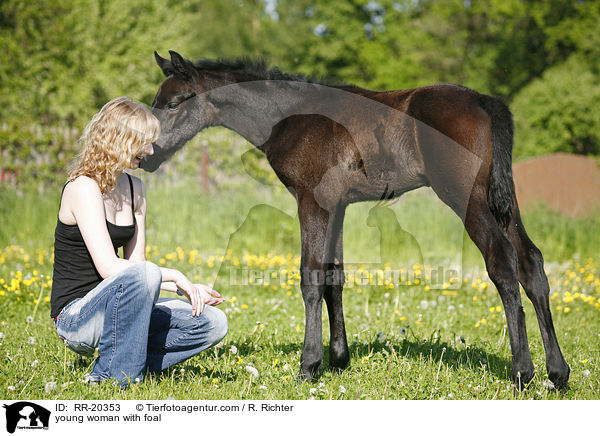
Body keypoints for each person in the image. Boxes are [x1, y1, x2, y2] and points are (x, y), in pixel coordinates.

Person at [50, 96, 228, 388]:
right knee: (145, 275)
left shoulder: (136, 188)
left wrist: (187, 289)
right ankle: (116, 379)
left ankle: (118, 362)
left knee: (213, 322)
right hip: (77, 316)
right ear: (118, 139)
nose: (150, 150)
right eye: (143, 142)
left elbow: (138, 268)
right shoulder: (83, 187)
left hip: (124, 310)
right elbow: (110, 268)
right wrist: (177, 276)